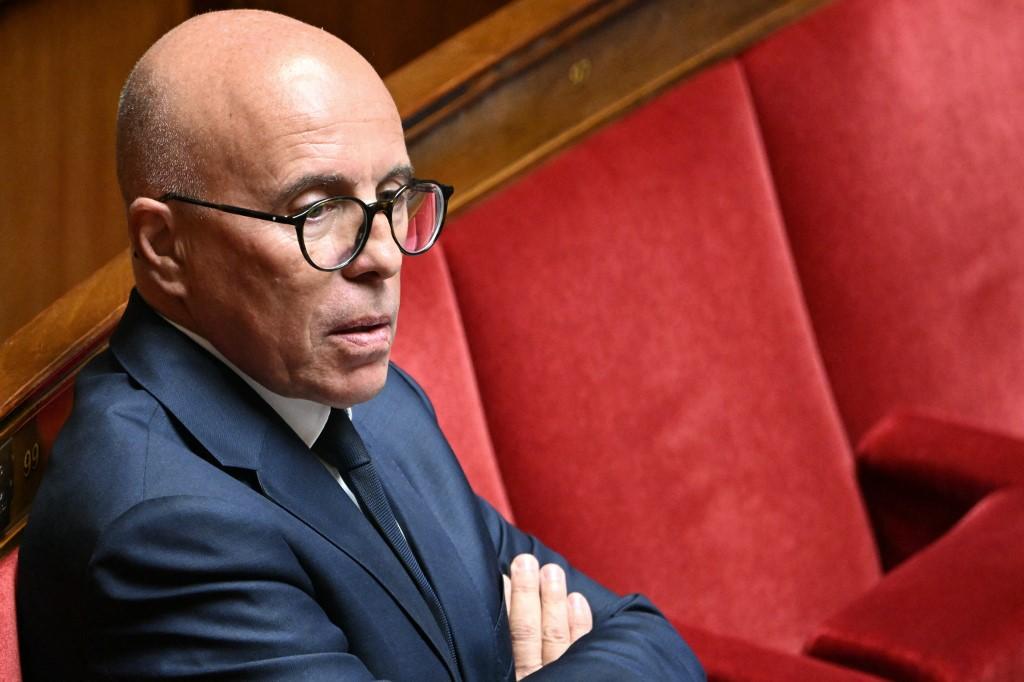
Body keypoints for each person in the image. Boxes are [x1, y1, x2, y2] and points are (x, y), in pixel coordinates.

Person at [16, 10, 703, 681]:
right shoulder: (163, 527)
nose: (385, 257)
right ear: (167, 247)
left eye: (395, 197)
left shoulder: (376, 401)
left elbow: (650, 640)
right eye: (318, 211)